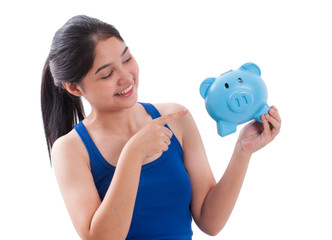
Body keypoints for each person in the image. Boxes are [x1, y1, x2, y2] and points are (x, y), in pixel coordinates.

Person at [41, 15, 281, 240]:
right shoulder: (70, 149)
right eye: (107, 74)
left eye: (127, 59)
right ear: (74, 87)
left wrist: (243, 150)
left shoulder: (175, 118)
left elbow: (210, 222)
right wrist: (133, 155)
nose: (126, 77)